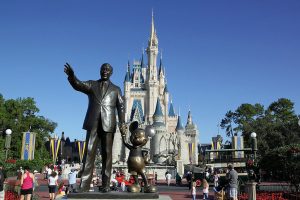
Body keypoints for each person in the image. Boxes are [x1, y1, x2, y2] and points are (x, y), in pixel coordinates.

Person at [64, 62, 126, 193]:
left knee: (107, 155)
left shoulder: (116, 89)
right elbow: (78, 85)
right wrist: (72, 76)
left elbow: (121, 107)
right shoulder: (92, 84)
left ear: (111, 73)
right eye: (103, 69)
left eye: (107, 69)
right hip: (93, 123)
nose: (105, 71)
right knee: (89, 153)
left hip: (108, 124)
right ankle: (85, 185)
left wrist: (122, 123)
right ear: (100, 71)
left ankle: (106, 184)